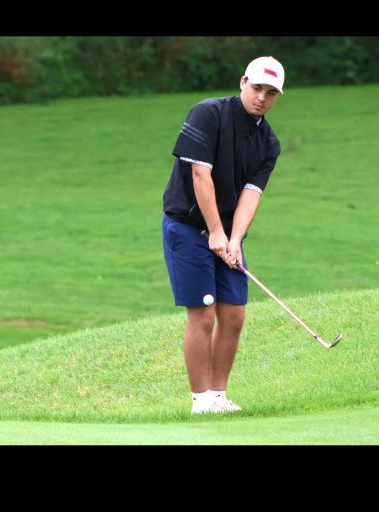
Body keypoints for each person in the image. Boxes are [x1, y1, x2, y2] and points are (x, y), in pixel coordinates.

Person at [162, 56, 284, 414]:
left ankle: (218, 396)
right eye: (257, 87)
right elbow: (200, 175)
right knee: (203, 313)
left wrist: (234, 239)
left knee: (233, 315)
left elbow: (251, 193)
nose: (262, 97)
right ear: (242, 82)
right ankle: (201, 401)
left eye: (271, 92)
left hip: (227, 233)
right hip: (187, 226)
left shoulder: (269, 143)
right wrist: (215, 231)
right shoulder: (208, 114)